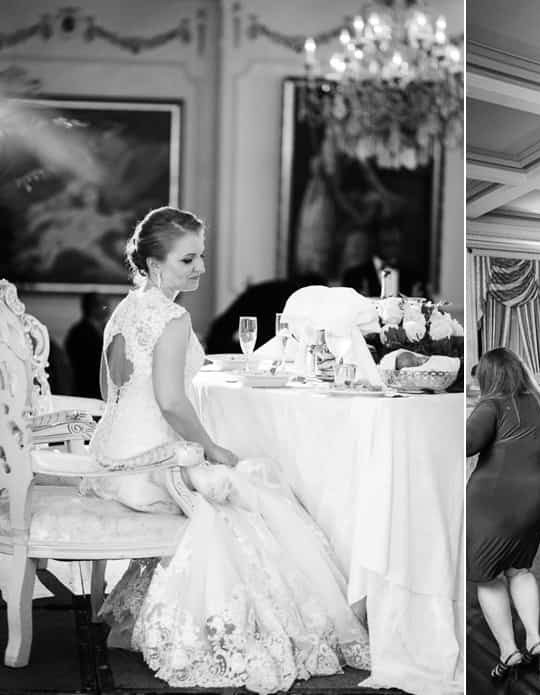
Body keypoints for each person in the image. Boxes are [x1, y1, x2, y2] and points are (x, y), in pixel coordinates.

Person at [83, 207, 369, 693]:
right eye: (187, 260)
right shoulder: (171, 317)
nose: (199, 268)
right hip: (153, 466)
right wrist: (210, 447)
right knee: (261, 490)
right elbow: (172, 403)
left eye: (201, 256)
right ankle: (279, 623)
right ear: (154, 265)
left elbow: (111, 389)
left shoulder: (125, 310)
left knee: (250, 479)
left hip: (111, 461)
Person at [466, 347, 540, 681]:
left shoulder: (490, 405)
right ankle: (534, 638)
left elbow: (466, 444)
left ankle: (509, 650)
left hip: (494, 499)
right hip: (536, 496)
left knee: (487, 575)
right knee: (520, 569)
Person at [65, 292, 110, 398]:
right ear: (93, 308)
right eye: (104, 305)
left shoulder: (105, 329)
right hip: (87, 391)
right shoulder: (80, 333)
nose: (108, 309)